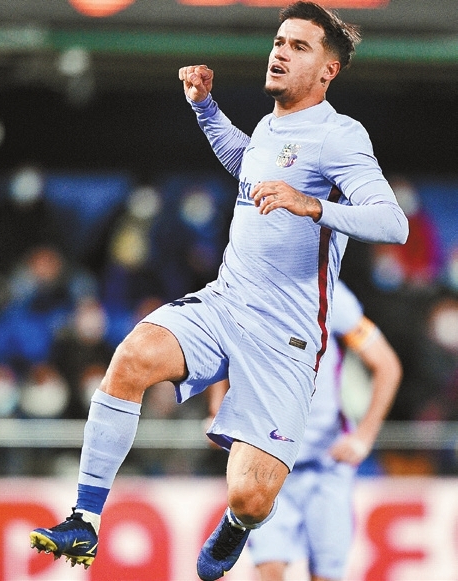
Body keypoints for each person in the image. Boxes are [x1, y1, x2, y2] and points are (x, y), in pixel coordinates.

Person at [29, 3, 408, 579]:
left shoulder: (339, 136)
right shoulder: (270, 127)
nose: (280, 53)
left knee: (251, 500)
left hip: (285, 338)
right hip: (227, 302)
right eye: (279, 41)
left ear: (328, 70)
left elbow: (392, 222)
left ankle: (236, 524)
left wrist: (313, 205)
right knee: (131, 358)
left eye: (299, 47)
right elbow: (246, 164)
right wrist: (205, 109)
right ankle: (84, 519)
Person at [206, 279, 402, 581]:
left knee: (325, 574)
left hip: (326, 463)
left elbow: (386, 364)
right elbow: (226, 349)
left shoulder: (332, 296)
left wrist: (364, 437)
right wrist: (216, 410)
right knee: (269, 570)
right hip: (270, 459)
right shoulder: (250, 285)